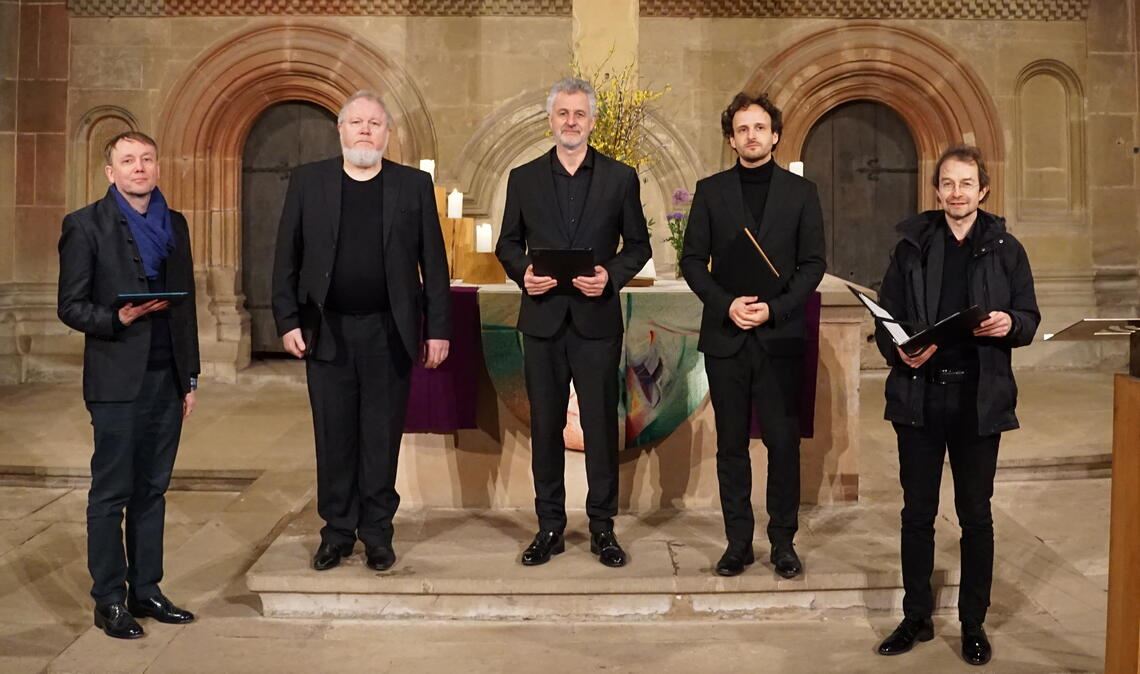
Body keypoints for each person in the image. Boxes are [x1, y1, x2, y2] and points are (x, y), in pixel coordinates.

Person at [272, 90, 452, 573]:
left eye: (375, 123)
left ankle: (376, 534)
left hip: (387, 332)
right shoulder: (310, 182)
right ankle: (336, 534)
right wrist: (287, 319)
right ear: (341, 130)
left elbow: (433, 263)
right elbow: (285, 255)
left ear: (387, 134)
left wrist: (437, 328)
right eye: (356, 122)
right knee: (333, 437)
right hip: (326, 331)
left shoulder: (412, 186)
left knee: (380, 436)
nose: (365, 130)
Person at [873, 145, 1040, 666]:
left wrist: (1010, 324)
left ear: (983, 190)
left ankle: (972, 624)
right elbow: (886, 318)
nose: (957, 192)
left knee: (975, 516)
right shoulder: (910, 247)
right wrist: (899, 348)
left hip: (977, 398)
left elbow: (1029, 318)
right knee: (917, 514)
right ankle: (917, 616)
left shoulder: (1007, 248)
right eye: (948, 183)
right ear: (937, 189)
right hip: (920, 396)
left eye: (966, 183)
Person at [495, 77, 651, 568]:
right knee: (545, 425)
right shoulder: (523, 178)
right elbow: (507, 243)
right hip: (542, 320)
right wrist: (523, 273)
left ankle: (603, 528)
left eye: (579, 114)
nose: (570, 122)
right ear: (550, 119)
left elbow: (640, 246)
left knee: (602, 426)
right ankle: (549, 527)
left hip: (595, 321)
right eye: (562, 113)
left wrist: (610, 276)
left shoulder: (620, 178)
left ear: (592, 121)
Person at [58, 131, 200, 639]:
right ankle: (109, 600)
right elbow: (70, 306)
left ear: (157, 167)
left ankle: (147, 590)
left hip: (166, 377)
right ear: (109, 172)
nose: (139, 168)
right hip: (116, 379)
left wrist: (190, 376)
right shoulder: (84, 226)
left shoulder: (176, 225)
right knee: (111, 493)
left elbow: (186, 309)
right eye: (128, 161)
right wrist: (117, 316)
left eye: (146, 159)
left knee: (152, 490)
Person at [680, 92, 826, 579]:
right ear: (731, 138)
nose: (752, 136)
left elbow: (813, 265)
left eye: (760, 127)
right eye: (742, 129)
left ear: (775, 134)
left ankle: (782, 542)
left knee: (784, 444)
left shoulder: (802, 194)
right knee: (730, 445)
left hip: (781, 336)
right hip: (727, 335)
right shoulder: (710, 190)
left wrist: (775, 309)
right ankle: (738, 542)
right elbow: (692, 261)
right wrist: (728, 304)